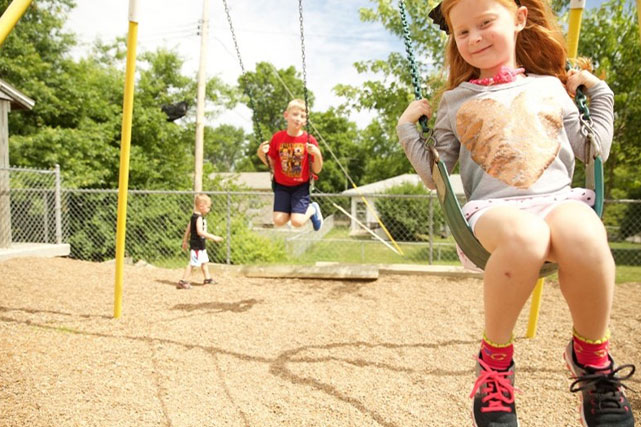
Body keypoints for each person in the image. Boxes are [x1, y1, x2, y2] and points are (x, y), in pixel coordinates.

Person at [397, 0, 636, 426]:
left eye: (485, 23)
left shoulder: (551, 87)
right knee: (527, 236)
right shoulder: (455, 100)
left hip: (559, 198)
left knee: (585, 234)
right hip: (494, 211)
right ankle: (495, 364)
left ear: (520, 19)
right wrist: (408, 129)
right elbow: (437, 173)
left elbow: (591, 150)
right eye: (463, 32)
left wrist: (598, 93)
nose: (474, 38)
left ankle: (592, 358)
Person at [257, 98, 324, 231]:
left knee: (297, 222)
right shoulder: (278, 138)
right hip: (282, 186)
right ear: (286, 115)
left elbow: (317, 169)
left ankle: (312, 209)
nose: (298, 118)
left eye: (302, 116)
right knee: (278, 221)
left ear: (306, 121)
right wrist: (260, 153)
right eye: (295, 114)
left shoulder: (309, 140)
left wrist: (316, 153)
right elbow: (272, 165)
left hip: (301, 186)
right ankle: (294, 211)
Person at [178, 193, 223, 289]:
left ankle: (207, 279)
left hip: (201, 245)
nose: (209, 209)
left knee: (204, 262)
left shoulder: (194, 216)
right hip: (197, 246)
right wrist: (213, 237)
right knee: (193, 264)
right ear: (201, 206)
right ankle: (183, 281)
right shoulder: (198, 218)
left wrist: (185, 240)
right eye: (208, 207)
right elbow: (200, 232)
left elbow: (188, 229)